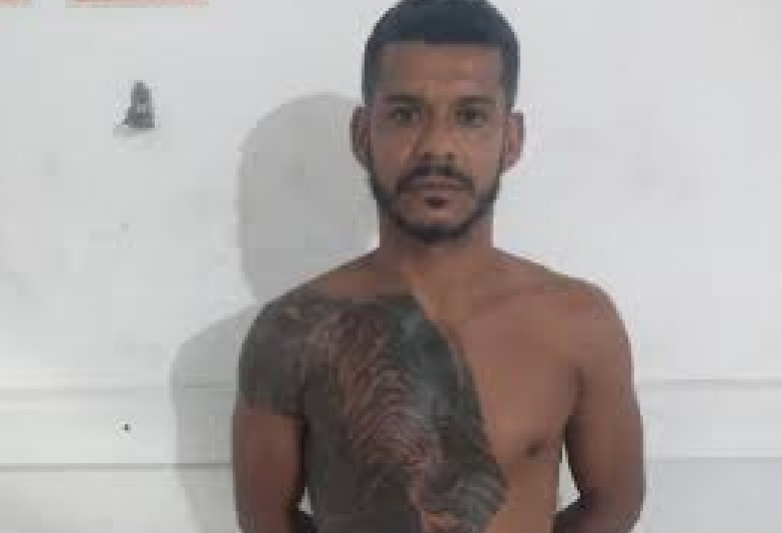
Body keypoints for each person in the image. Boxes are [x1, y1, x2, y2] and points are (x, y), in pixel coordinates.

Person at [231, 1, 645, 532]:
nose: (436, 148)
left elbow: (612, 505)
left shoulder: (579, 324)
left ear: (511, 139)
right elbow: (266, 520)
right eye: (405, 114)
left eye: (470, 116)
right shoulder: (291, 334)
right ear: (362, 135)